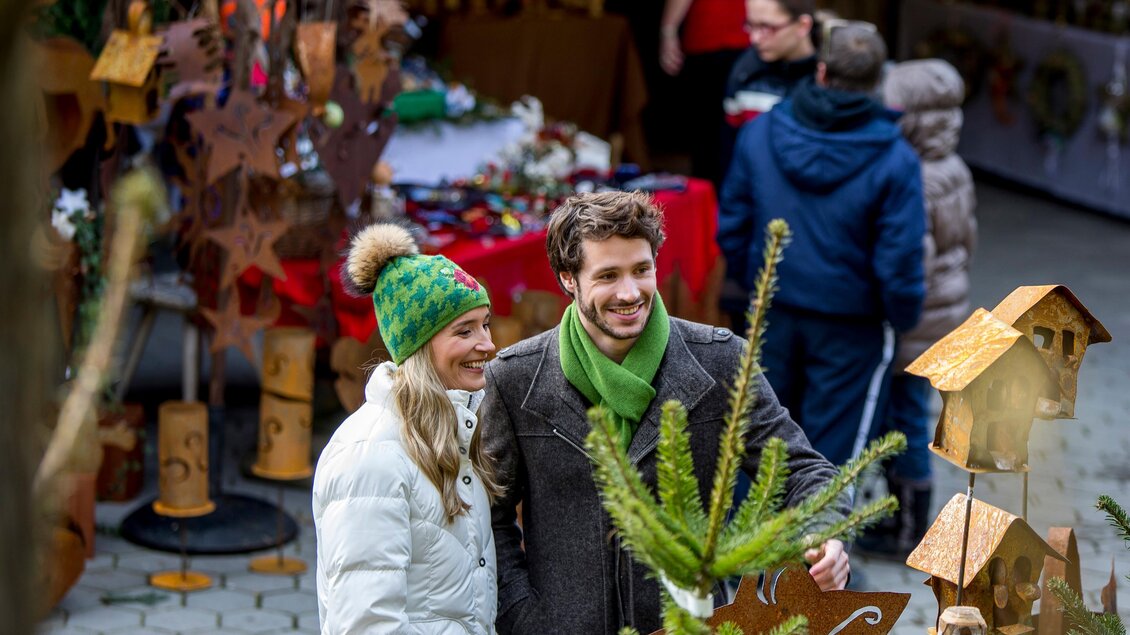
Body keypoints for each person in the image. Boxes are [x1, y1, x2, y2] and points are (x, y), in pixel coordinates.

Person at [481, 190, 850, 635]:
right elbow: (490, 519)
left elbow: (804, 470)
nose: (629, 292)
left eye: (641, 270)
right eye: (608, 276)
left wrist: (824, 535)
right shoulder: (515, 378)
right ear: (568, 279)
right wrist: (525, 618)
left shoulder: (720, 362)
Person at [718, 22, 926, 468]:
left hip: (771, 312)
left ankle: (752, 539)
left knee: (756, 452)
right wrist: (902, 317)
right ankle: (813, 541)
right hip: (852, 329)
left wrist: (755, 281)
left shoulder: (760, 132)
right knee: (827, 464)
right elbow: (900, 259)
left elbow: (733, 225)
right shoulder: (897, 159)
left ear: (821, 71)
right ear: (878, 82)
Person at [313, 223, 502, 634]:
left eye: (485, 324)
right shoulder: (372, 457)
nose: (487, 343)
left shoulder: (455, 430)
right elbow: (366, 624)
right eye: (464, 331)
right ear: (419, 344)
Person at [860, 59, 977, 558]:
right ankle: (910, 521)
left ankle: (909, 528)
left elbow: (913, 258)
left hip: (915, 317)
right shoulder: (953, 167)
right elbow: (966, 240)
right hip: (946, 309)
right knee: (913, 412)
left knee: (901, 416)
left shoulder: (916, 176)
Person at [717, 0, 822, 331]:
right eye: (751, 26)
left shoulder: (825, 79)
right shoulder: (744, 72)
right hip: (753, 251)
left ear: (802, 25)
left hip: (813, 252)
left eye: (768, 27)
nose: (756, 38)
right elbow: (727, 161)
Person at [658, 0, 749, 187]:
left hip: (712, 37)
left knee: (707, 134)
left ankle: (708, 201)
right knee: (738, 129)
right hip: (746, 38)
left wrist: (668, 31)